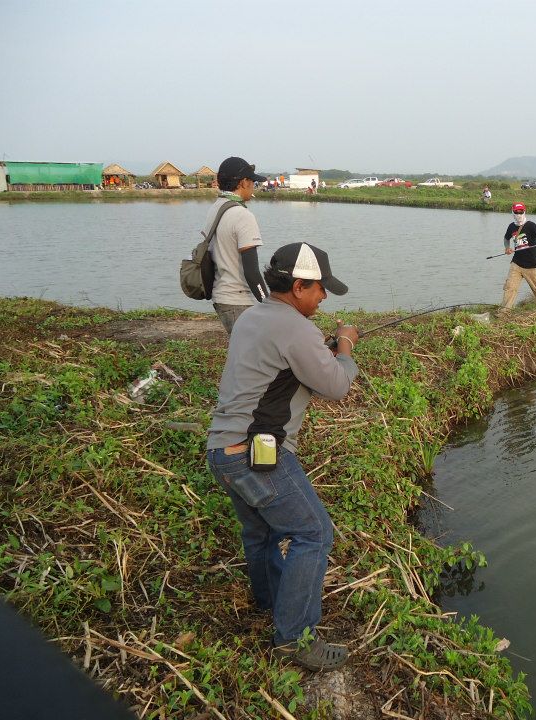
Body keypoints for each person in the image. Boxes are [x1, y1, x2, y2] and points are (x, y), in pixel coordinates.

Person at [206, 242, 359, 672]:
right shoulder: (297, 329)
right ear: (297, 286)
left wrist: (320, 351)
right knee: (315, 533)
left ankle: (268, 603)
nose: (324, 297)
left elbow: (281, 367)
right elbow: (337, 385)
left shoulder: (252, 316)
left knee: (263, 533)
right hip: (258, 456)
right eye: (320, 289)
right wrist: (345, 347)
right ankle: (294, 639)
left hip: (223, 452)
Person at [207, 157, 269, 333]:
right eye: (253, 182)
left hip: (221, 295)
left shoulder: (216, 208)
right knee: (251, 356)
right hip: (238, 299)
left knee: (242, 352)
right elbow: (251, 272)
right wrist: (269, 304)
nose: (253, 187)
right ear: (243, 183)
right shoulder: (242, 215)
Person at [499, 202, 536, 312]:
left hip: (531, 265)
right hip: (516, 264)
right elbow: (506, 239)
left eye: (521, 212)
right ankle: (504, 312)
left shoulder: (531, 225)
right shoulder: (511, 226)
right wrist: (507, 248)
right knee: (510, 288)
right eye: (516, 212)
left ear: (524, 212)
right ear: (513, 212)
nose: (519, 214)